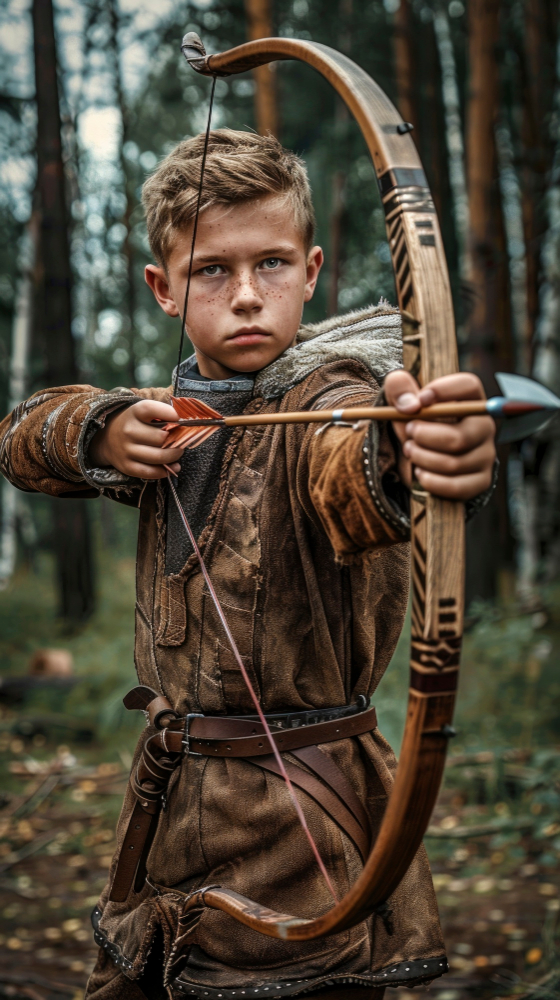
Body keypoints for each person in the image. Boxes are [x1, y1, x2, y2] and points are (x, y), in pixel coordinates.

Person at [0, 130, 496, 1000]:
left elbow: (351, 461)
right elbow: (21, 434)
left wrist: (416, 454)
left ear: (309, 272)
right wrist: (104, 427)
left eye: (270, 265)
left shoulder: (329, 395)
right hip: (161, 819)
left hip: (299, 833)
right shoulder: (169, 415)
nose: (245, 298)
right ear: (163, 289)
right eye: (211, 271)